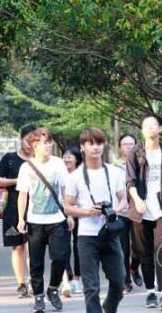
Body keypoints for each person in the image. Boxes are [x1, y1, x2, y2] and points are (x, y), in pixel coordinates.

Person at [64, 126, 127, 313]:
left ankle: (109, 307)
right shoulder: (75, 176)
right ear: (82, 147)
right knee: (91, 287)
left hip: (110, 234)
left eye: (99, 143)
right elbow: (68, 207)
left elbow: (124, 199)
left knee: (119, 281)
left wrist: (114, 210)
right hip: (87, 237)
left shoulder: (114, 172)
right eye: (90, 143)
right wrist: (87, 212)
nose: (95, 147)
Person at [17, 128, 74, 313]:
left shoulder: (58, 164)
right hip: (35, 221)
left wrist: (69, 214)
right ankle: (39, 297)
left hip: (57, 219)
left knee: (60, 257)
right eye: (44, 143)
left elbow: (65, 190)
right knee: (36, 262)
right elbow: (23, 195)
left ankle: (53, 289)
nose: (49, 145)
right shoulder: (26, 167)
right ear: (34, 145)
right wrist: (21, 218)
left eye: (50, 142)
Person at [126, 113, 162, 310]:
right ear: (142, 130)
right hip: (140, 208)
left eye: (153, 125)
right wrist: (137, 199)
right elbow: (130, 180)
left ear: (160, 128)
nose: (149, 128)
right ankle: (150, 291)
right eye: (146, 125)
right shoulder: (135, 152)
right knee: (144, 252)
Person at [0, 125, 36, 298]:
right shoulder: (9, 159)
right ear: (21, 139)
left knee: (33, 247)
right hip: (12, 209)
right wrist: (18, 181)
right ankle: (21, 284)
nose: (30, 144)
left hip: (35, 209)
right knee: (17, 246)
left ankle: (33, 281)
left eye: (34, 141)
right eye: (28, 140)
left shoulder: (39, 161)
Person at [114, 133, 143, 294]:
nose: (128, 147)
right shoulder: (114, 167)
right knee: (123, 249)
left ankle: (134, 267)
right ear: (120, 148)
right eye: (125, 144)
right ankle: (126, 282)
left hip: (138, 211)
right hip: (121, 213)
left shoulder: (142, 164)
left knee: (140, 247)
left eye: (131, 144)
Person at [61, 146, 84, 297]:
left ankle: (77, 278)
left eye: (70, 156)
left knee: (78, 247)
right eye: (65, 156)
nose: (66, 159)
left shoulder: (82, 174)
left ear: (77, 159)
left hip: (80, 213)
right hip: (61, 214)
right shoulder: (59, 173)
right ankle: (66, 278)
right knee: (63, 248)